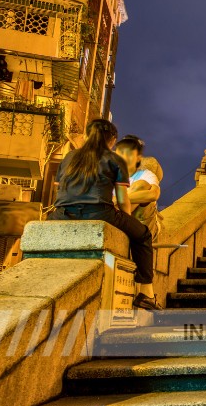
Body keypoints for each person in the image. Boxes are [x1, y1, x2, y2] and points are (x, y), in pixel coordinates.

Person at [49, 120, 160, 310]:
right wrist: (128, 222)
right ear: (112, 141)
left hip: (62, 214)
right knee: (143, 234)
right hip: (100, 213)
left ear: (86, 136)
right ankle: (146, 292)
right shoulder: (115, 160)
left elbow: (59, 187)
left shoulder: (70, 157)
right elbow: (122, 199)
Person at [115, 136, 162, 240]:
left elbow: (154, 194)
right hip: (117, 216)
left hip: (143, 223)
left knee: (141, 185)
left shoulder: (146, 173)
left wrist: (117, 199)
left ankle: (121, 220)